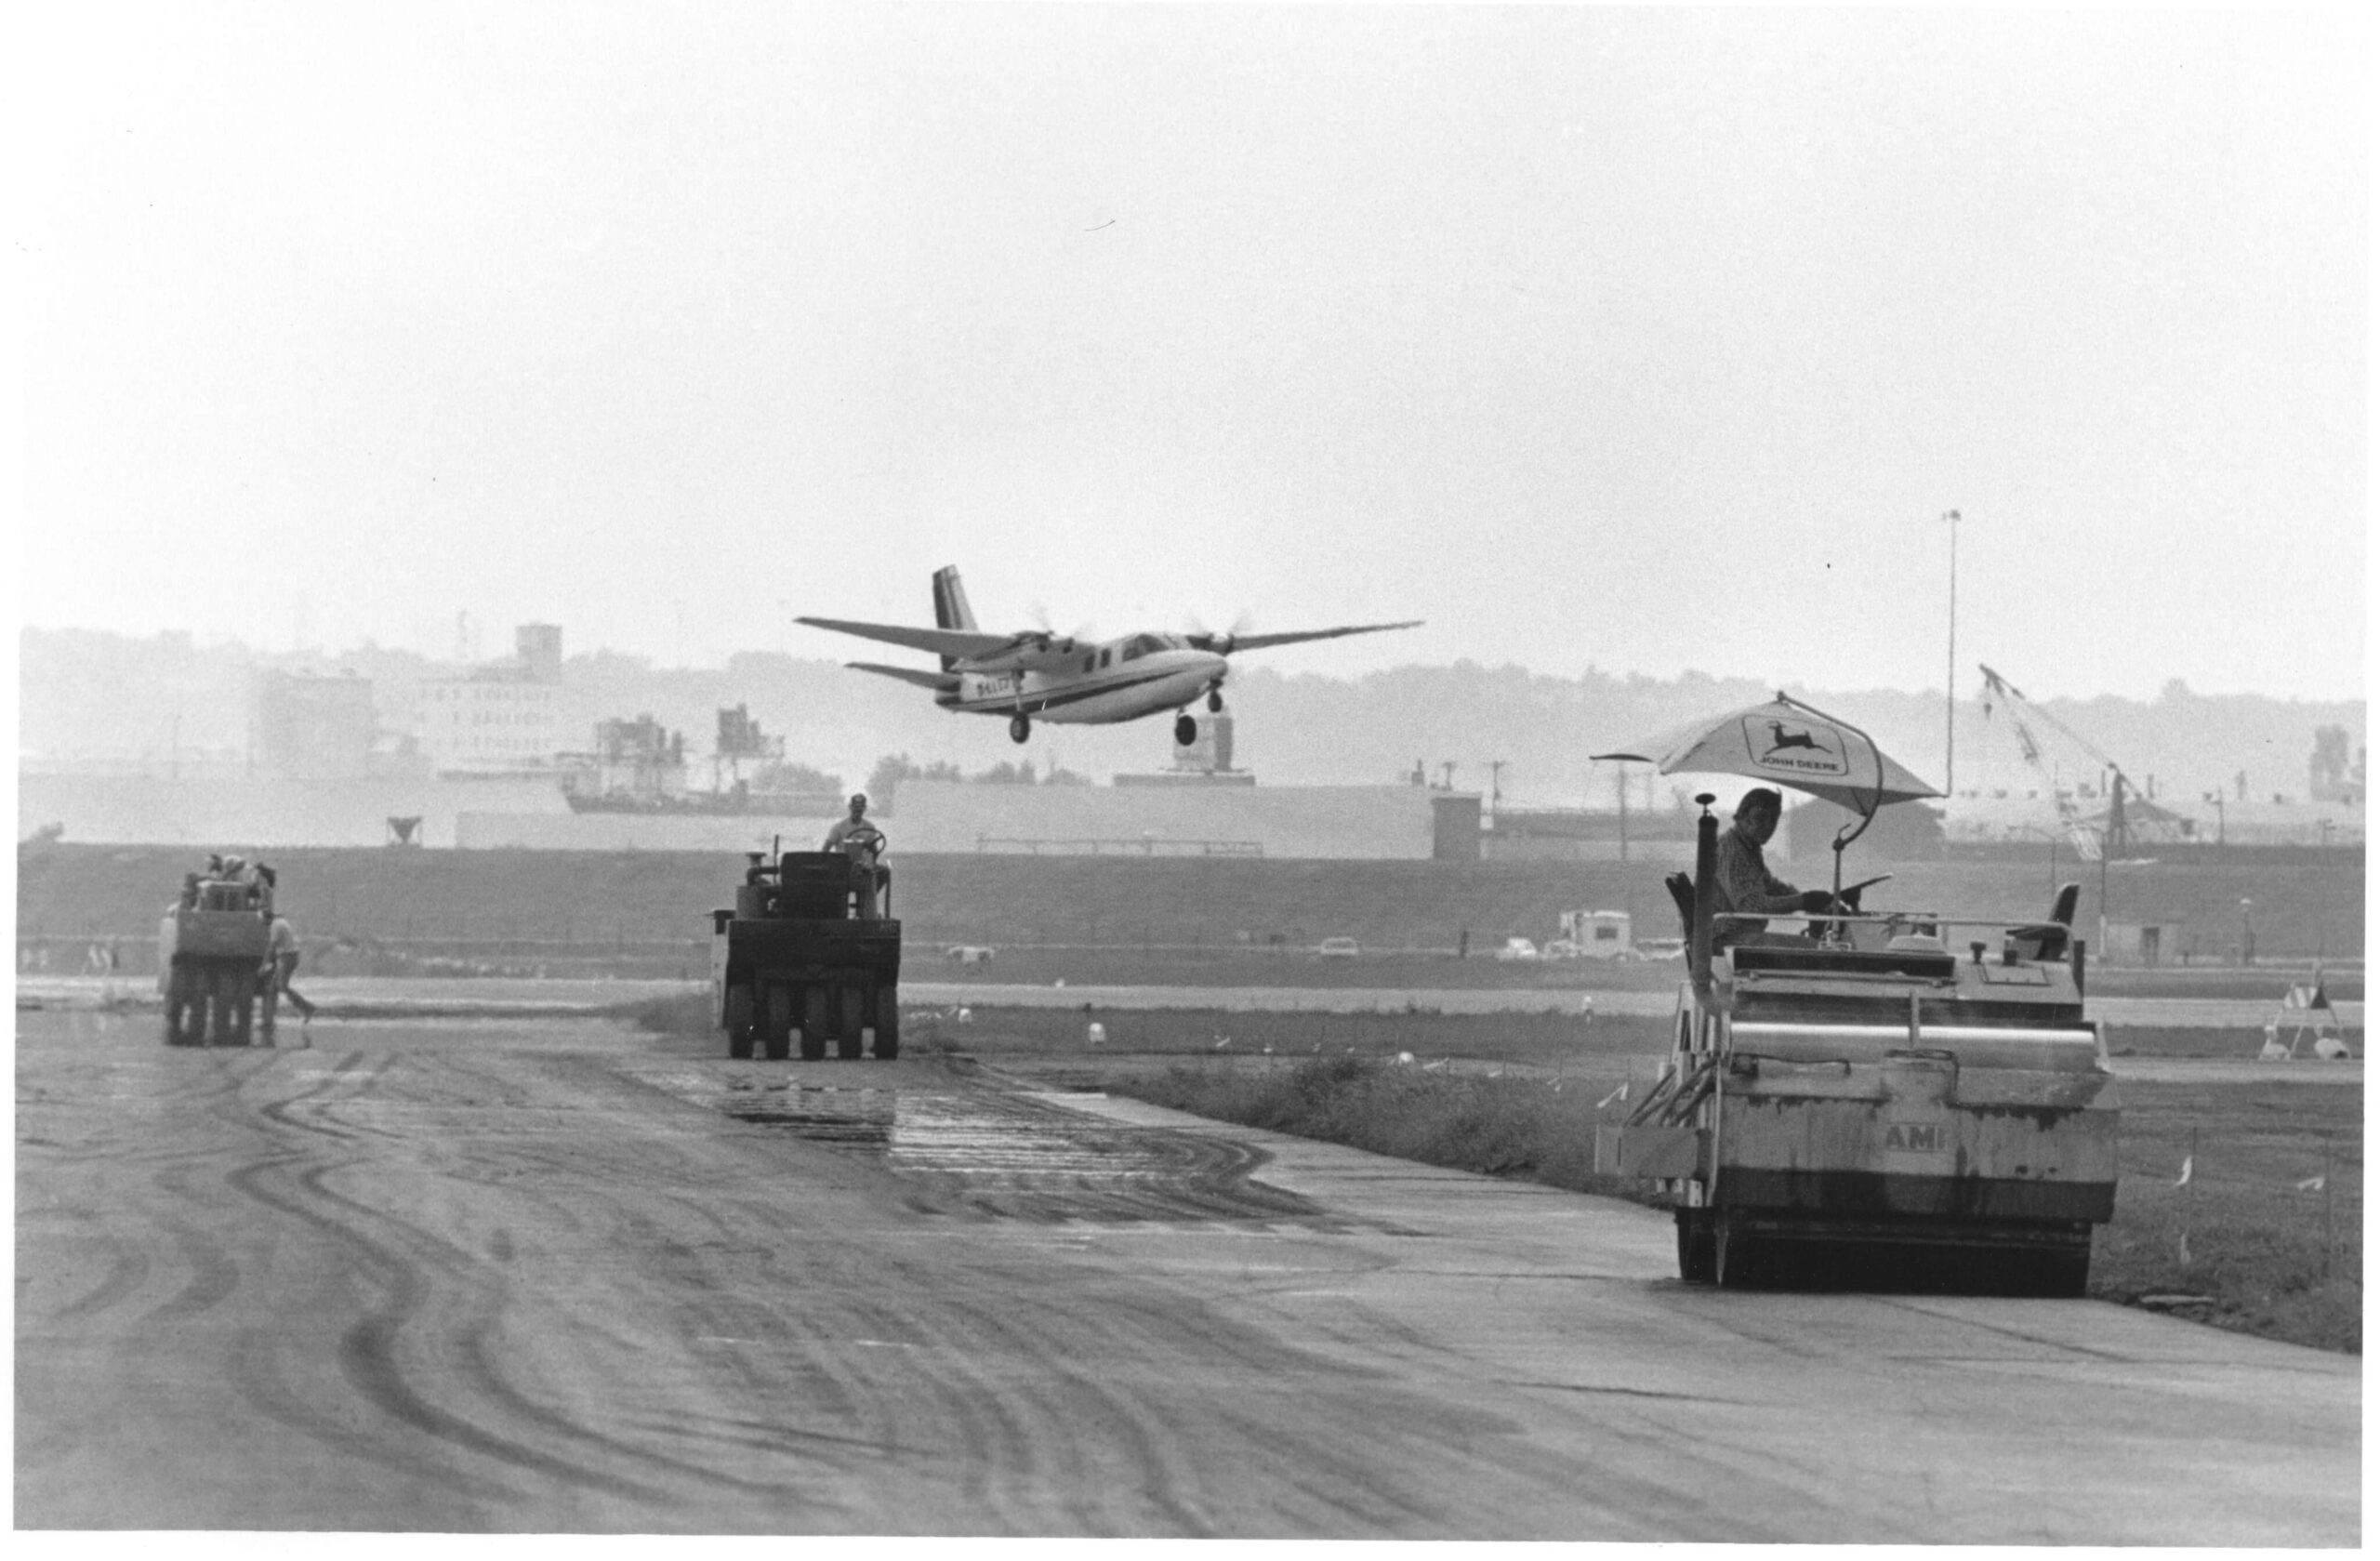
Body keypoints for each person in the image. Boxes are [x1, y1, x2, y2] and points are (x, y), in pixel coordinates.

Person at [1711, 787, 1836, 950]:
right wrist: (1803, 901)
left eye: (1773, 820)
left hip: (1738, 936)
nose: (1768, 826)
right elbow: (1750, 906)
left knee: (1816, 946)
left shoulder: (1748, 847)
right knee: (1816, 948)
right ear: (1741, 817)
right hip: (1726, 939)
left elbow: (1771, 886)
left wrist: (1817, 901)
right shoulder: (1732, 850)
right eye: (1760, 818)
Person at [822, 793, 890, 919]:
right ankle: (839, 911)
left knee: (883, 872)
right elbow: (825, 849)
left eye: (860, 808)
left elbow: (873, 852)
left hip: (863, 868)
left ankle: (865, 905)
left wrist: (870, 857)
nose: (857, 811)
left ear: (864, 809)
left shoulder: (870, 828)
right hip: (843, 870)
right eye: (855, 808)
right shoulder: (839, 827)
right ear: (850, 808)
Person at [263, 914, 316, 1034]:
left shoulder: (275, 926)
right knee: (273, 988)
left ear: (267, 919)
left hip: (287, 957)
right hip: (289, 956)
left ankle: (307, 1008)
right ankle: (268, 1022)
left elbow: (272, 947)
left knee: (281, 986)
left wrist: (264, 964)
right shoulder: (281, 922)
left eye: (263, 921)